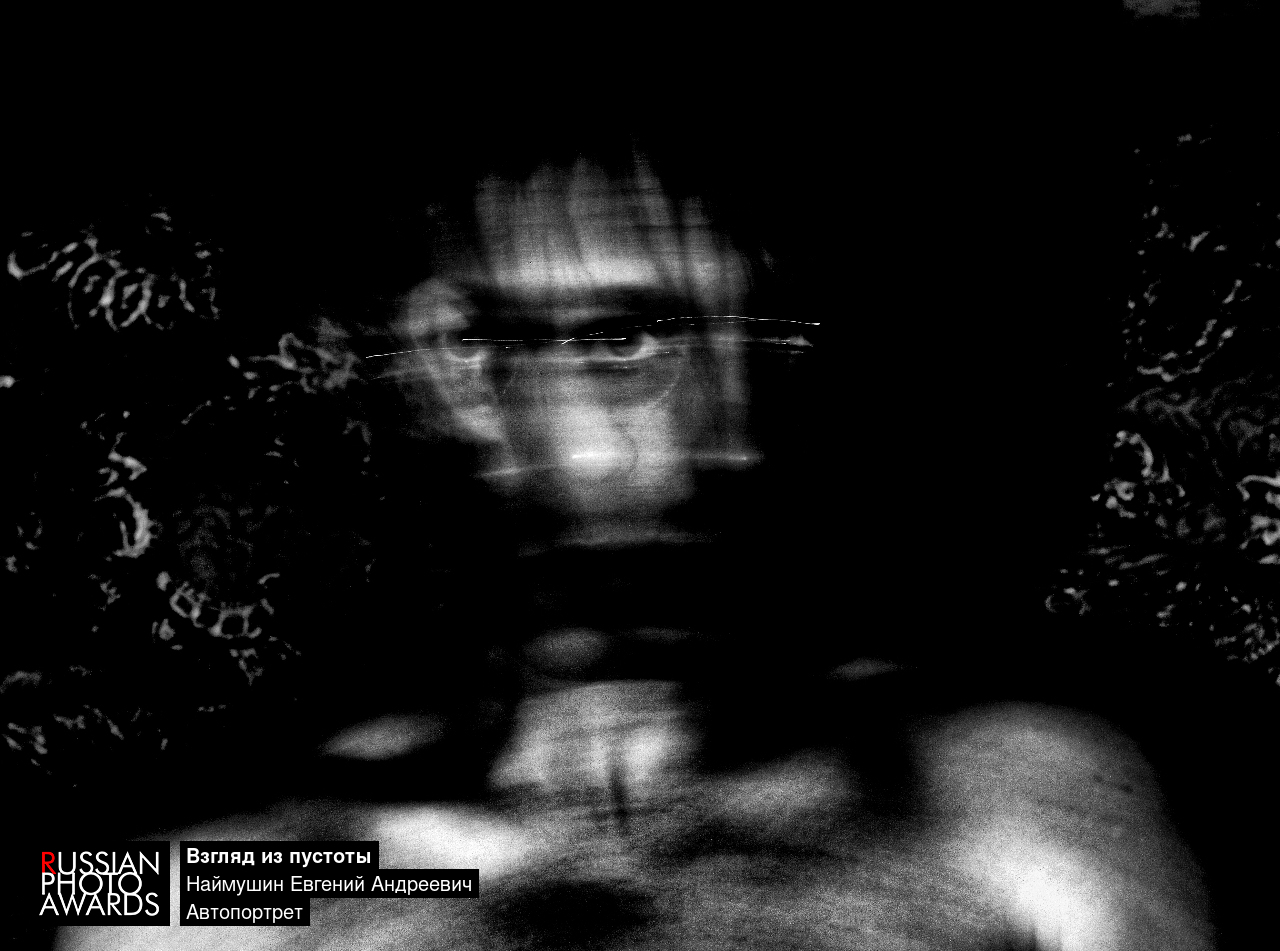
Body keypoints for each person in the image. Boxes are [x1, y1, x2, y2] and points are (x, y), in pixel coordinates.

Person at [56, 137, 1255, 951]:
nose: (734, 429)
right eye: (630, 339)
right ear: (455, 367)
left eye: (774, 347)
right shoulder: (219, 862)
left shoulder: (1009, 782)